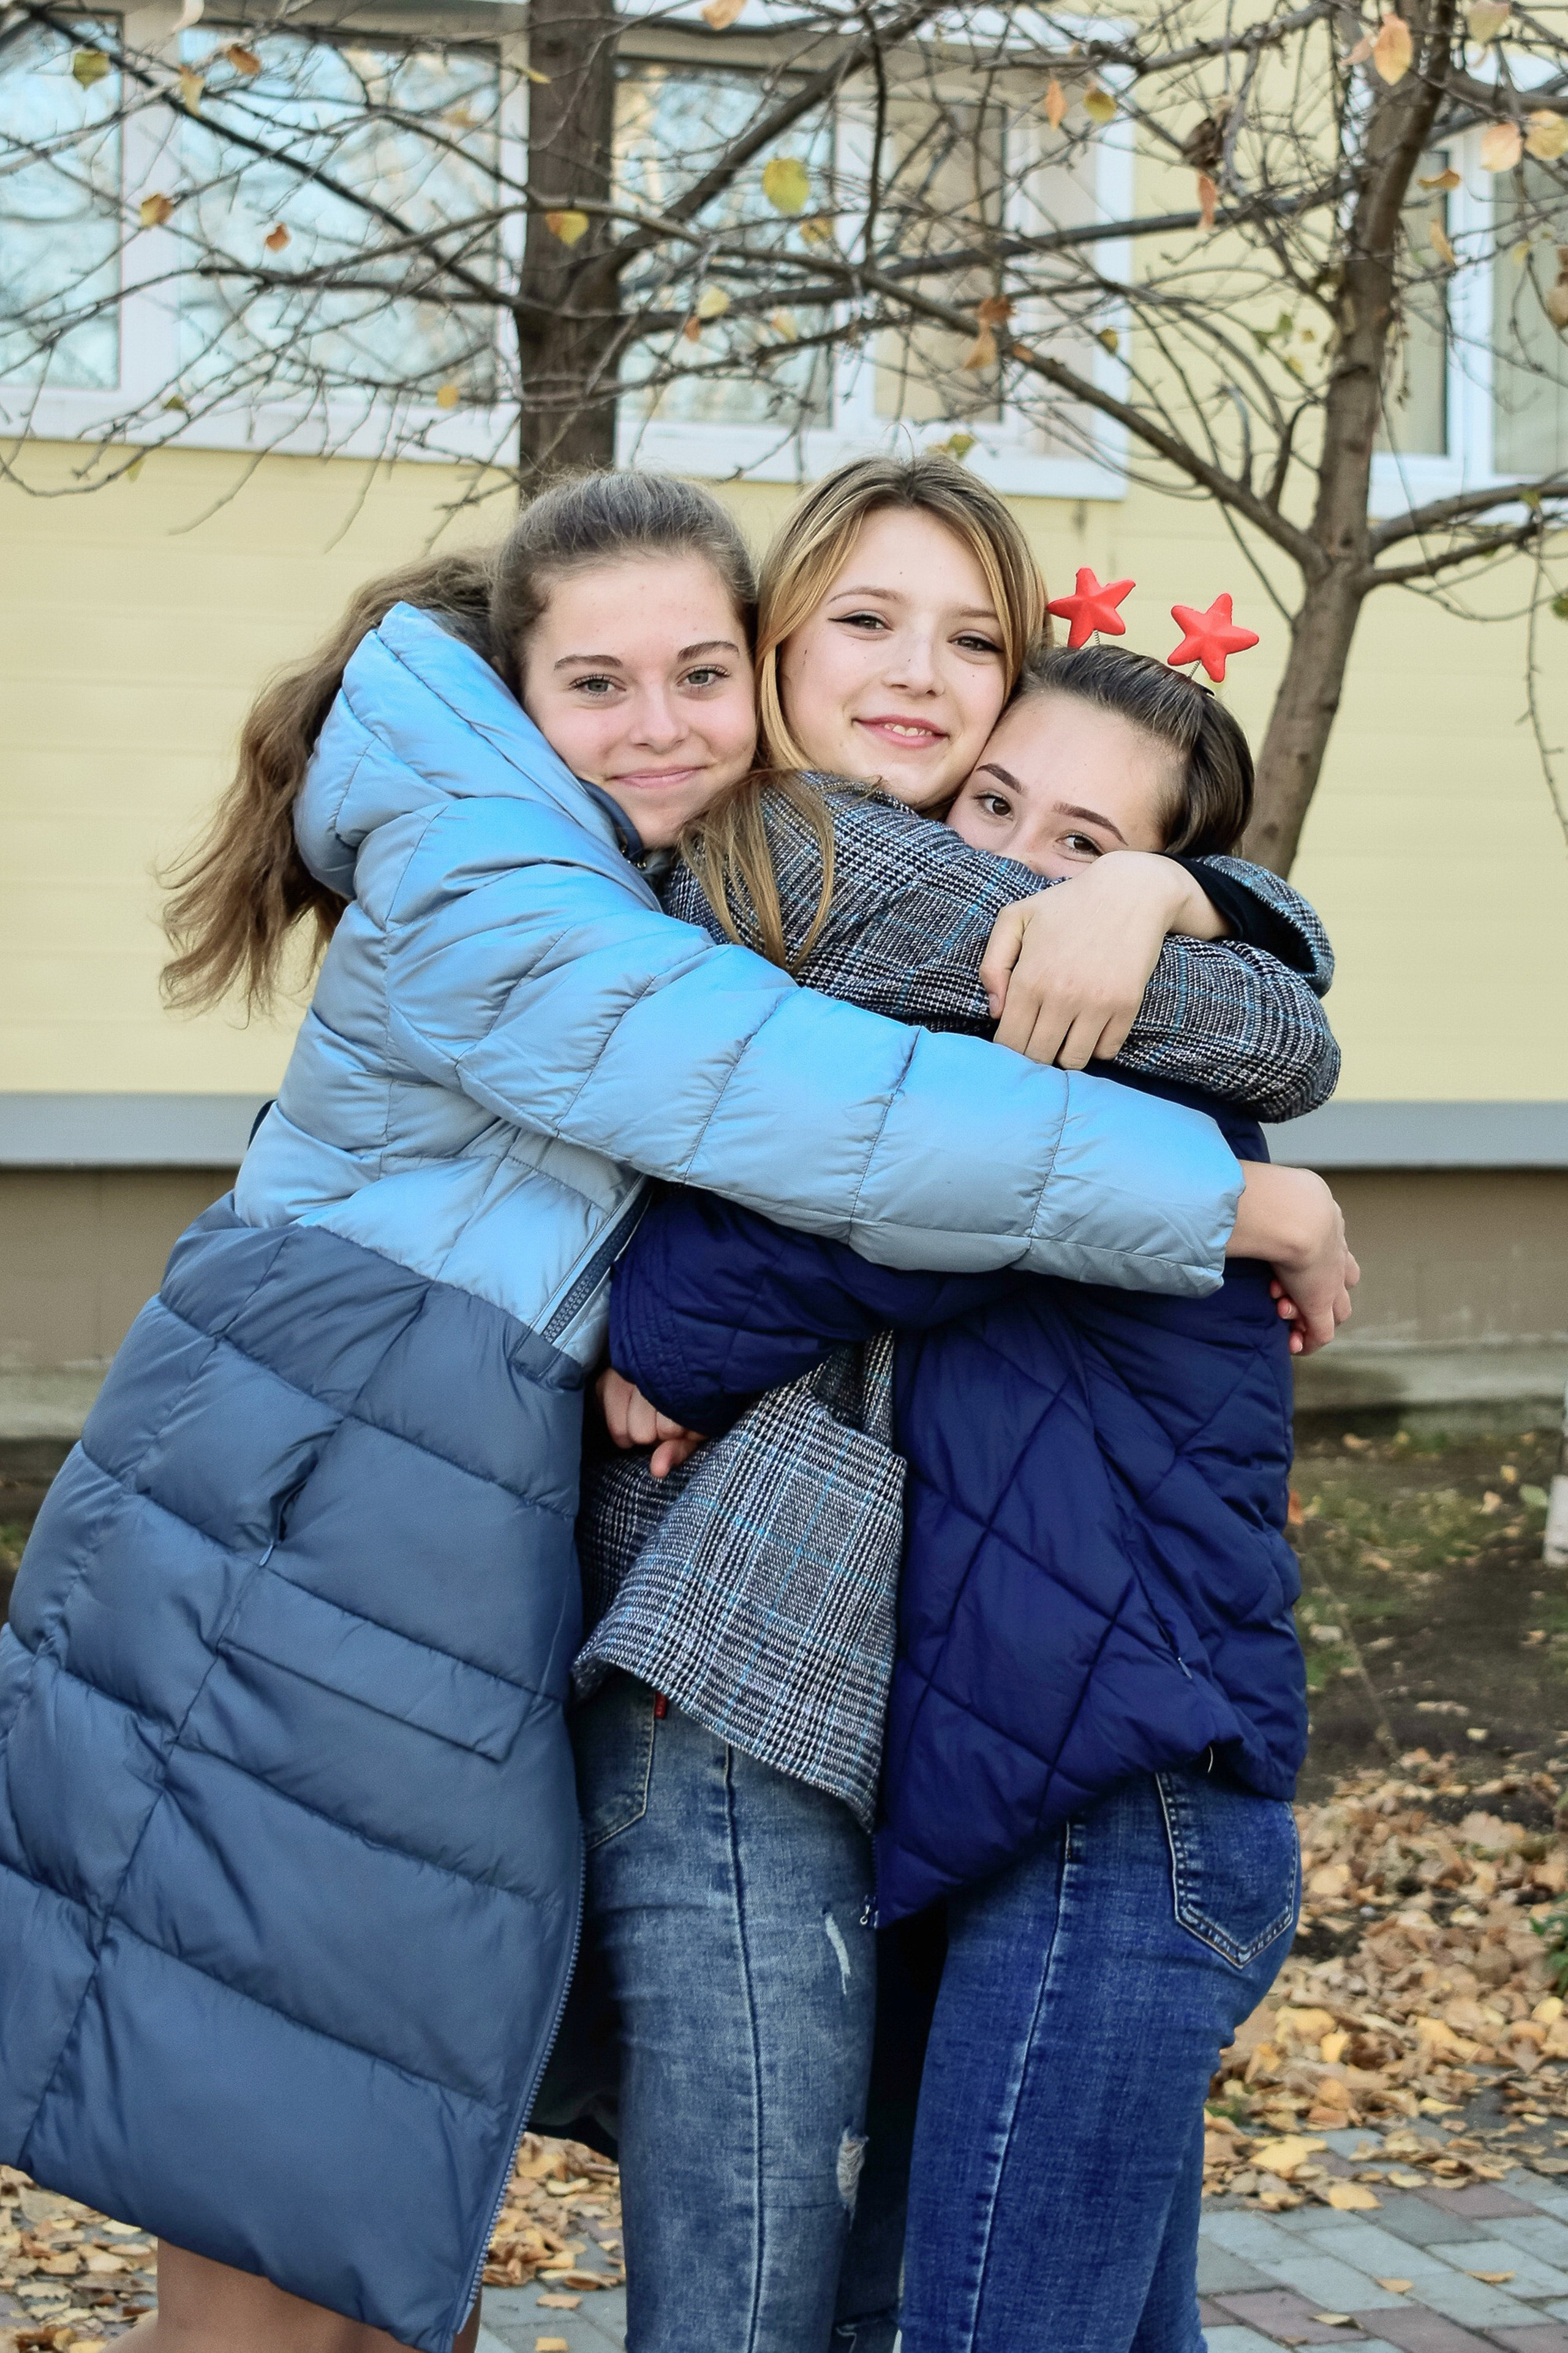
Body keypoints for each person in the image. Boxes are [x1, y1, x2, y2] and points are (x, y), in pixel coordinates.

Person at [0, 470, 1325, 2353]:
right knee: (292, 2257)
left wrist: (1171, 885)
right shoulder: (589, 881)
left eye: (697, 672)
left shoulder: (650, 849)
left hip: (392, 1538)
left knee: (345, 2235)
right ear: (521, 691)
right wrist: (1238, 1195)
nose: (662, 723)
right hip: (306, 1545)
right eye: (602, 683)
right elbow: (839, 1112)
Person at [568, 458, 1352, 2353]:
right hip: (1049, 1784)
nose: (1009, 867)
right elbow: (928, 1192)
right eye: (997, 803)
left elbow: (903, 1220)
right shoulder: (826, 876)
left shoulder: (1028, 990)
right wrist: (1192, 928)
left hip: (1122, 1796)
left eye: (1083, 840)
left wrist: (1185, 908)